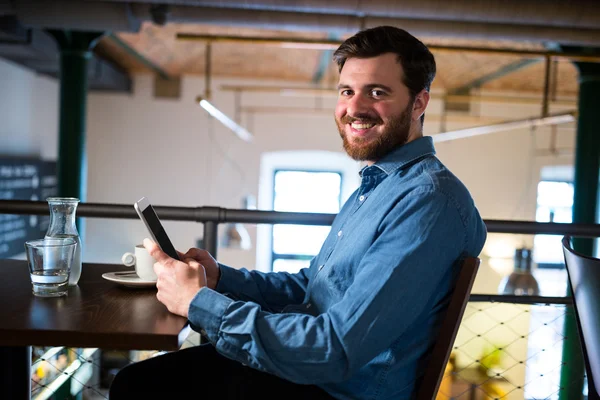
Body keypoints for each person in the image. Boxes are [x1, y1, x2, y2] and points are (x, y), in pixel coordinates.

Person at [109, 25, 487, 399]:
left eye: (377, 92)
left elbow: (334, 349)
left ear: (418, 103)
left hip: (332, 391)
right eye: (347, 91)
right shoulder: (381, 185)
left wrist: (199, 303)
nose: (354, 108)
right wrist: (221, 278)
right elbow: (312, 289)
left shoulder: (427, 202)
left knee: (139, 387)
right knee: (141, 381)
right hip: (312, 379)